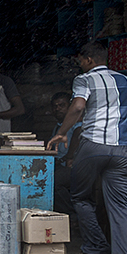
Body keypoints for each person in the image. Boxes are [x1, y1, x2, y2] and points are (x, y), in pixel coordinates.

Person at [48, 41, 127, 254]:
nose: (79, 64)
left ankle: (96, 246)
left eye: (80, 60)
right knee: (122, 207)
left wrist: (62, 133)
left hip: (93, 148)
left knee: (80, 196)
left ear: (89, 59)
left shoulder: (85, 79)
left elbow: (78, 106)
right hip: (124, 151)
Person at [50, 92, 82, 220]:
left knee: (53, 182)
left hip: (74, 167)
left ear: (70, 107)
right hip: (59, 165)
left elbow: (79, 134)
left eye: (62, 105)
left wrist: (69, 157)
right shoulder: (58, 127)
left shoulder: (76, 124)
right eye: (55, 106)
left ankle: (72, 216)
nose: (57, 108)